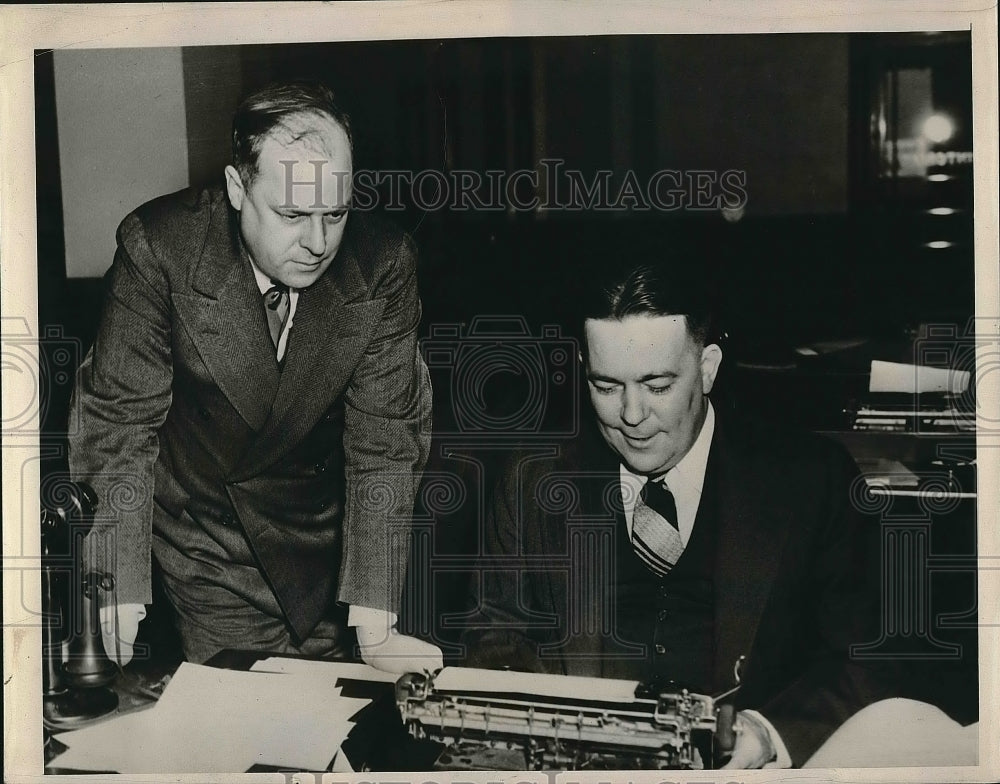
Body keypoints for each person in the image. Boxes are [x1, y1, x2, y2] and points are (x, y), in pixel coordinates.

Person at [460, 261, 898, 768]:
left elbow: (869, 653)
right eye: (606, 386)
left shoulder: (812, 479)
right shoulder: (532, 479)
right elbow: (493, 636)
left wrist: (767, 734)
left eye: (658, 385)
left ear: (708, 366)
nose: (631, 414)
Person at [69, 81, 442, 672]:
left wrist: (374, 621)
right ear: (238, 188)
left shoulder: (383, 264)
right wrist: (113, 599)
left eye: (335, 214)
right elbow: (118, 422)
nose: (319, 243)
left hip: (331, 544)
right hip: (211, 543)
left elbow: (386, 441)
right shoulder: (160, 248)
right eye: (292, 214)